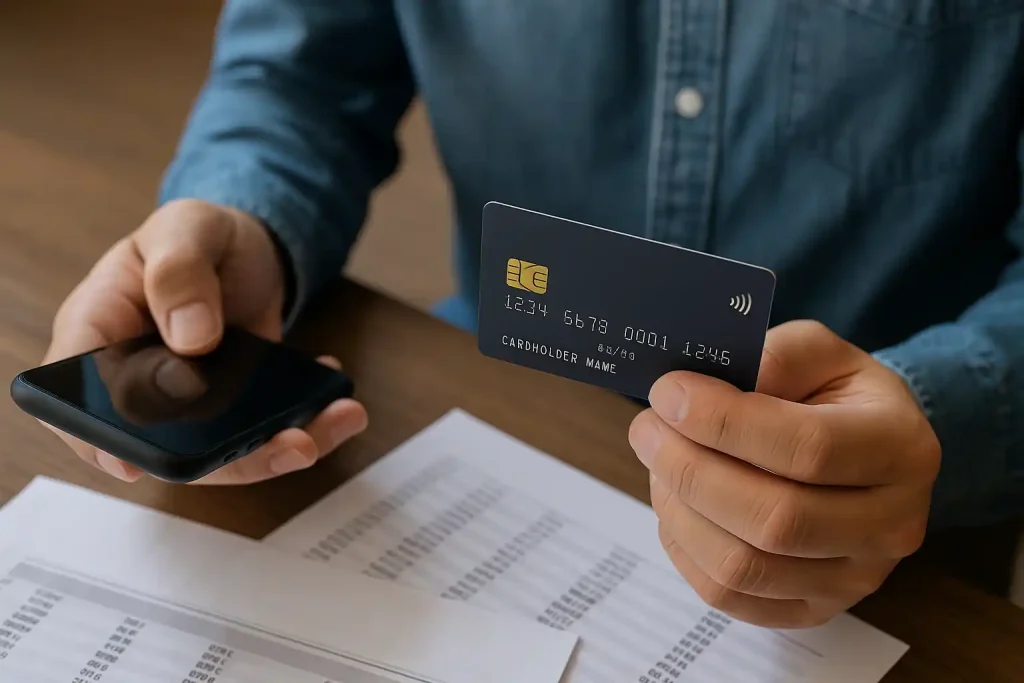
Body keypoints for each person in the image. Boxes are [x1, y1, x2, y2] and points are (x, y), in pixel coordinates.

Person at [44, 2, 1024, 629]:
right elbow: (299, 66)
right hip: (479, 422)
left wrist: (942, 411)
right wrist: (243, 215)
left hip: (900, 526)